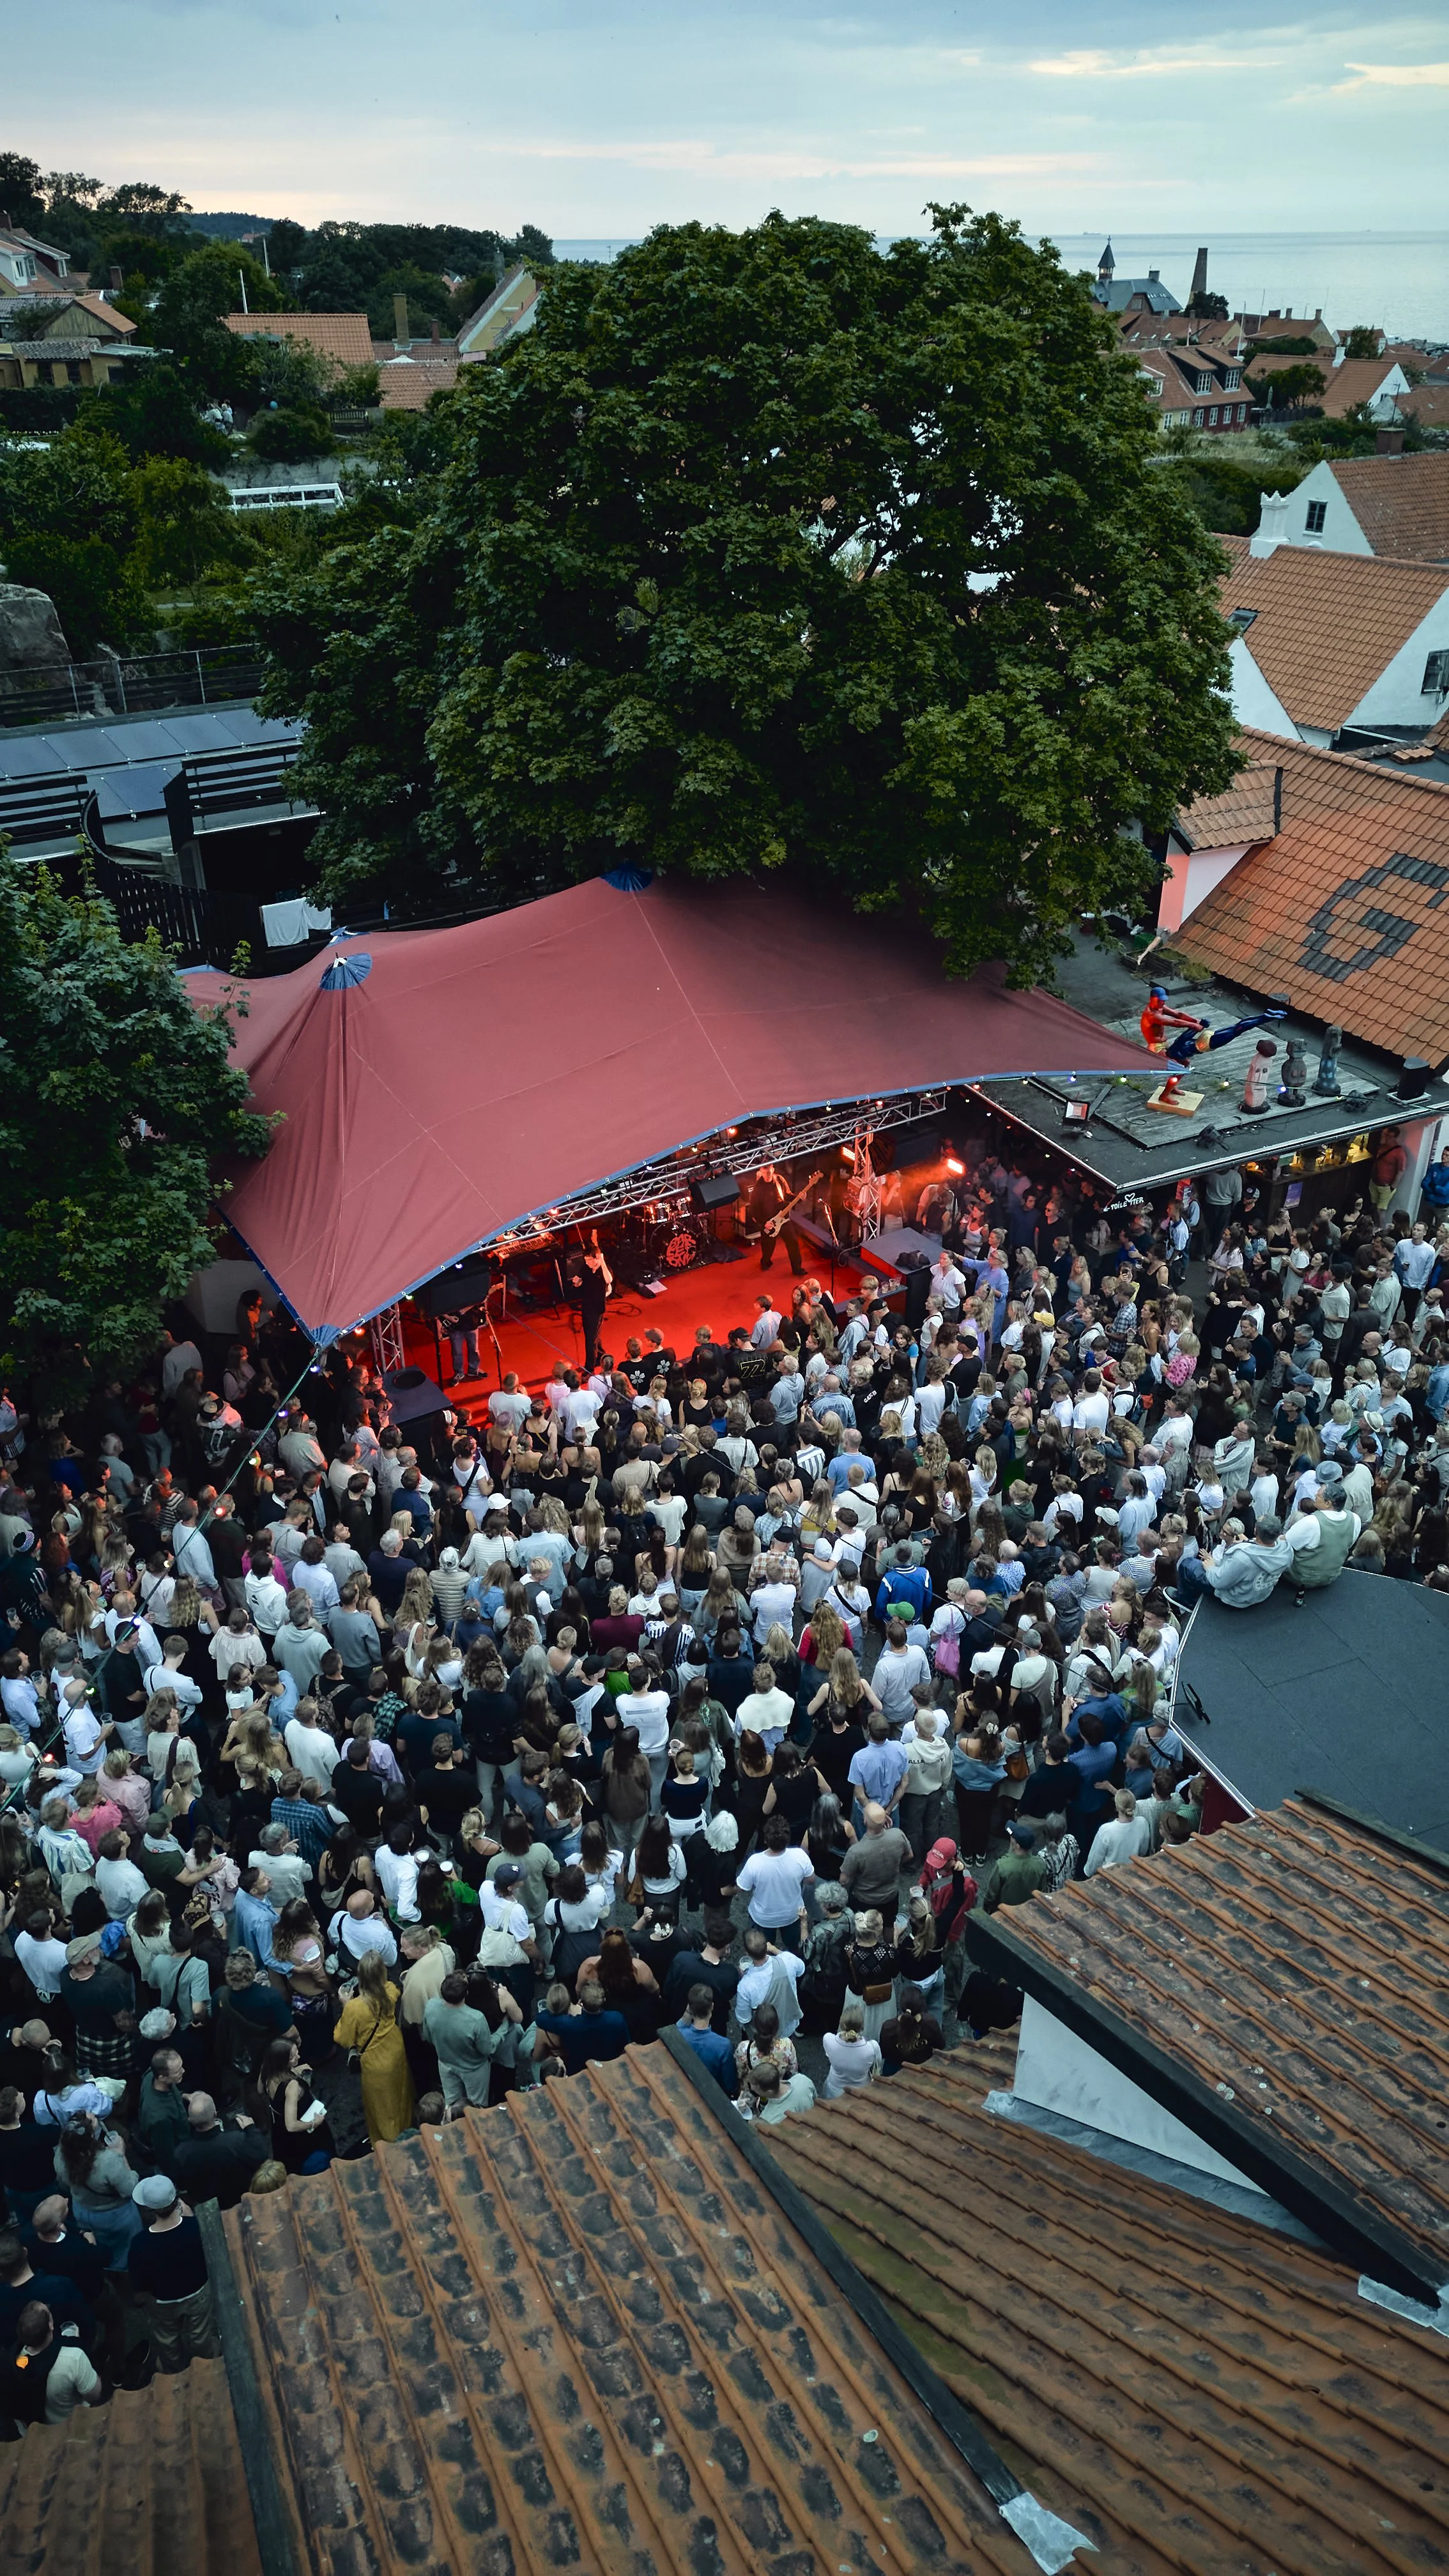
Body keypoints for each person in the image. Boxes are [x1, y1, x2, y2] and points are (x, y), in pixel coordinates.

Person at [127, 2174, 219, 2368]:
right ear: (176, 2201)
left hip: (163, 2301)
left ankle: (173, 2368)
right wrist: (191, 2219)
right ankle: (206, 2361)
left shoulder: (139, 2244)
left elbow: (140, 2285)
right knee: (200, 2332)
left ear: (149, 2209)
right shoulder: (196, 2227)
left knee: (166, 2337)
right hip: (198, 2293)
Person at [334, 1949, 415, 2145]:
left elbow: (343, 2038)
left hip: (375, 2060)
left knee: (382, 2106)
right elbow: (394, 1992)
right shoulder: (389, 1990)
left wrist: (345, 2005)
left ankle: (389, 2142)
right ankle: (407, 2126)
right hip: (395, 2046)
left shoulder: (355, 2007)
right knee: (401, 2091)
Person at [674, 1984, 739, 2094]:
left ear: (689, 2008)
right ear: (712, 2007)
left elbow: (680, 2025)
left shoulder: (679, 2033)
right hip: (711, 2091)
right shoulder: (723, 2045)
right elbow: (729, 2083)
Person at [822, 1999, 882, 2097]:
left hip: (834, 2090)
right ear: (862, 2027)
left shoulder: (828, 2039)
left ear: (841, 2024)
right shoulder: (872, 2048)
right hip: (860, 2092)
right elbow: (878, 2067)